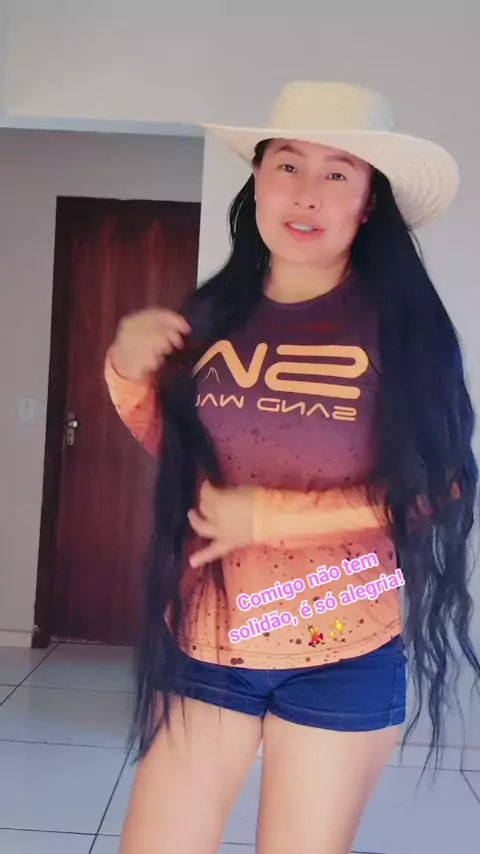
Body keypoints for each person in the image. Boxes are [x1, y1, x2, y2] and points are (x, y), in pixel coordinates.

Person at [104, 82, 480, 854]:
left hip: (343, 645)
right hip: (207, 636)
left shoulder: (402, 326)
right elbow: (181, 447)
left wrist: (273, 517)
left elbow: (440, 485)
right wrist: (126, 370)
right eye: (287, 164)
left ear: (367, 204)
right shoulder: (213, 317)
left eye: (337, 172)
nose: (306, 193)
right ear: (258, 180)